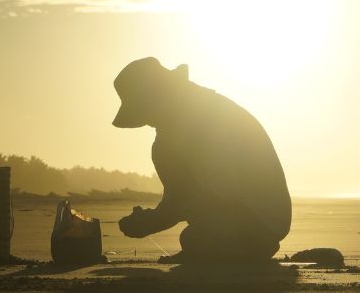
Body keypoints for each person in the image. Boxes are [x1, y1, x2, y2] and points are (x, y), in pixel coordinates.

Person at [111, 57, 291, 262]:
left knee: (194, 238)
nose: (149, 122)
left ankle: (249, 246)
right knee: (194, 238)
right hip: (234, 216)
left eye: (147, 111)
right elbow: (180, 195)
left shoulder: (209, 119)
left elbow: (223, 192)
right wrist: (155, 218)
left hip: (259, 219)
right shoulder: (171, 136)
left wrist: (158, 219)